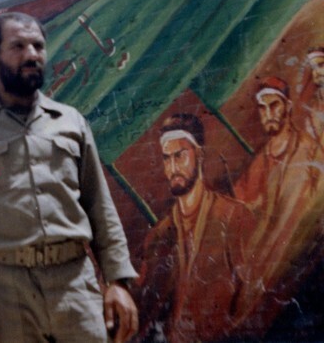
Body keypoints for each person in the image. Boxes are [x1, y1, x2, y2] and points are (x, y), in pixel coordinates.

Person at [0, 11, 138, 343]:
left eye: (38, 46)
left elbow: (100, 206)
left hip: (74, 285)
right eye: (18, 46)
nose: (32, 55)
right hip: (2, 292)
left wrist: (118, 281)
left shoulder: (71, 122)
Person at [136, 114, 255, 342]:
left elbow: (251, 295)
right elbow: (145, 303)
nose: (172, 167)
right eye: (166, 159)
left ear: (199, 155)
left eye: (179, 156)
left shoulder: (234, 217)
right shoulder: (159, 235)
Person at [233, 76, 324, 326]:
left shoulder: (306, 152)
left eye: (274, 105)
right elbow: (242, 204)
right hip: (259, 260)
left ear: (288, 108)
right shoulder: (262, 158)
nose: (268, 114)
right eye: (262, 108)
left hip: (297, 258)